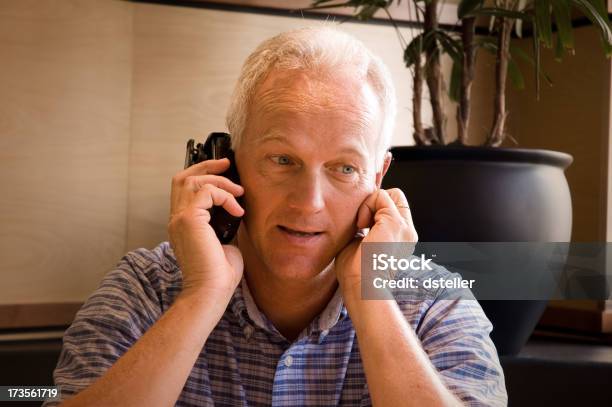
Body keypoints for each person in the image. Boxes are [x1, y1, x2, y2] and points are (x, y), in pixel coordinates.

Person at [44, 26, 507, 406]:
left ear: (378, 176)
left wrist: (373, 297)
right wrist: (201, 297)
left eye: (344, 168)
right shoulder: (143, 289)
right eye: (282, 160)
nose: (309, 203)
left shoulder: (435, 305)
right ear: (228, 159)